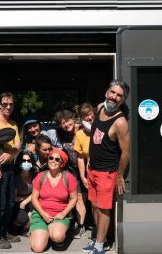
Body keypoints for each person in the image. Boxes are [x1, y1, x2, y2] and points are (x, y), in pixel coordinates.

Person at [83, 80, 130, 254]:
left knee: (103, 210)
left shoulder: (120, 122)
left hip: (106, 173)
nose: (114, 97)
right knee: (94, 206)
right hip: (92, 169)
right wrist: (90, 155)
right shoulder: (100, 108)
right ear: (106, 93)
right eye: (112, 92)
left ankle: (100, 246)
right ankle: (97, 239)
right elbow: (97, 135)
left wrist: (119, 176)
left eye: (119, 95)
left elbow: (126, 153)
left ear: (123, 100)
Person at [0, 92, 21, 249]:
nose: (8, 107)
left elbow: (18, 146)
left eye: (11, 104)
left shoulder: (13, 123)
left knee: (9, 202)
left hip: (9, 166)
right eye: (5, 104)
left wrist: (11, 153)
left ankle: (4, 231)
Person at [30, 149, 78, 253]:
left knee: (57, 236)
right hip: (41, 214)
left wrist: (63, 213)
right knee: (37, 248)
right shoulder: (40, 176)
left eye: (57, 159)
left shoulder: (68, 177)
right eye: (51, 158)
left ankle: (55, 233)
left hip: (59, 214)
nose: (53, 161)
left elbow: (74, 198)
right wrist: (43, 214)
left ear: (62, 163)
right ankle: (40, 232)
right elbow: (34, 198)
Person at [54, 109, 86, 238]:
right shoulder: (61, 134)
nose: (66, 125)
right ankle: (81, 225)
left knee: (89, 199)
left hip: (87, 168)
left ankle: (91, 225)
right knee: (78, 198)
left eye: (67, 121)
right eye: (63, 123)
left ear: (73, 118)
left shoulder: (83, 128)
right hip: (73, 170)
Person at [73, 102, 96, 237]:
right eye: (85, 116)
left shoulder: (101, 129)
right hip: (87, 171)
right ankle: (81, 226)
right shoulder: (80, 135)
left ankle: (97, 227)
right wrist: (82, 176)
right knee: (81, 198)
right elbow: (81, 157)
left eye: (90, 114)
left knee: (95, 201)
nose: (89, 117)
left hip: (100, 169)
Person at [13, 151, 35, 235]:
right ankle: (20, 225)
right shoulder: (15, 177)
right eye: (23, 161)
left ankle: (26, 228)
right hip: (18, 203)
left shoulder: (35, 175)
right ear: (19, 162)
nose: (26, 163)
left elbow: (37, 192)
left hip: (30, 202)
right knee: (22, 219)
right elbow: (14, 198)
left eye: (28, 161)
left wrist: (25, 202)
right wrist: (24, 200)